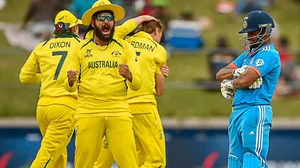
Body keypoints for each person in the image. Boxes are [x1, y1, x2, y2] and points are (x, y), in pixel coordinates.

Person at [65, 0, 141, 167]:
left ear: (114, 22)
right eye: (101, 18)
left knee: (129, 163)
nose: (106, 21)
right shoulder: (80, 48)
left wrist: (129, 75)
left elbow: (137, 84)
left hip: (118, 110)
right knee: (83, 163)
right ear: (93, 22)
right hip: (88, 111)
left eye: (109, 18)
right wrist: (70, 80)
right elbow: (68, 86)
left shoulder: (125, 48)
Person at [94, 17, 169, 168]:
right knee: (156, 160)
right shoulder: (158, 49)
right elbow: (159, 91)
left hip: (118, 107)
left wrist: (139, 18)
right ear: (157, 31)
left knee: (105, 160)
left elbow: (116, 32)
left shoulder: (123, 42)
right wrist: (161, 74)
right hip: (144, 107)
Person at [216, 10, 281, 167]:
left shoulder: (269, 54)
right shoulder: (247, 55)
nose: (249, 37)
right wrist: (236, 72)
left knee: (253, 157)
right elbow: (220, 74)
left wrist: (232, 82)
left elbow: (246, 80)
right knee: (234, 159)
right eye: (248, 33)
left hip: (255, 109)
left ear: (265, 31)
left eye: (252, 32)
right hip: (237, 110)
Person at [19, 10, 82, 168]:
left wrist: (46, 78)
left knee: (58, 153)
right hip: (65, 107)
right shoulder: (82, 46)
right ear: (74, 29)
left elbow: (25, 77)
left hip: (43, 108)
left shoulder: (42, 47)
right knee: (49, 155)